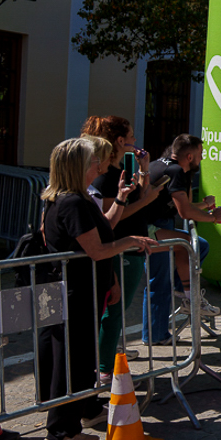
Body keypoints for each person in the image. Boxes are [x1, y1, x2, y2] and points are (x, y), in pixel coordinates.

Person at [38, 138, 157, 440]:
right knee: (73, 361)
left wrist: (120, 199)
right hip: (76, 292)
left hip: (83, 290)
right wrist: (131, 241)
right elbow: (97, 249)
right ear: (78, 166)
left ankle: (81, 413)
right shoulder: (72, 202)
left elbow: (103, 228)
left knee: (80, 359)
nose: (100, 166)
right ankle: (60, 433)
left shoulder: (76, 198)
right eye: (94, 161)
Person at [81, 116, 159, 382]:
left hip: (130, 247)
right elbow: (110, 217)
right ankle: (104, 369)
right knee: (113, 310)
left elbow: (138, 195)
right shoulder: (105, 177)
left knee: (116, 310)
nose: (136, 140)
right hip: (119, 249)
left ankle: (107, 359)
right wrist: (145, 201)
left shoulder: (121, 169)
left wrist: (144, 170)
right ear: (120, 140)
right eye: (132, 135)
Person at [140, 134, 221, 344]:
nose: (202, 158)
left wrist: (205, 206)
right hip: (151, 227)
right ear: (189, 156)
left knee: (195, 246)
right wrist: (213, 217)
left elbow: (185, 205)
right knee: (163, 276)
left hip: (159, 224)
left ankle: (185, 293)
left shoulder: (163, 165)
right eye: (200, 154)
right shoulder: (176, 171)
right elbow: (185, 212)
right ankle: (159, 331)